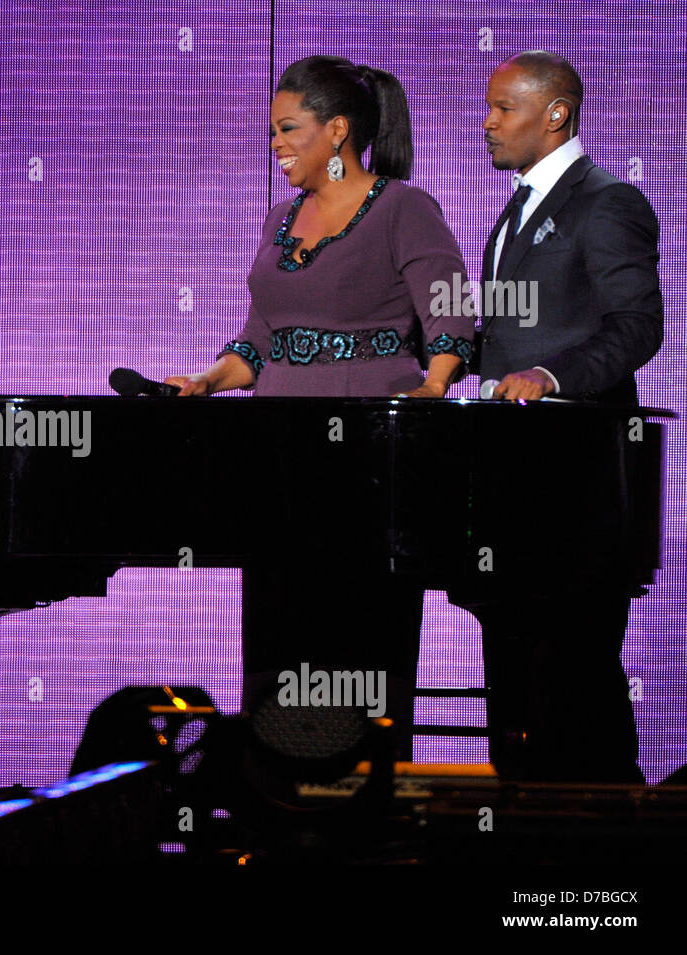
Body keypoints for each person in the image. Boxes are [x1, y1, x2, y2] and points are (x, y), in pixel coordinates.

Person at [166, 56, 475, 760]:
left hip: (368, 458)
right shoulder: (282, 219)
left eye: (288, 129)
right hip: (276, 454)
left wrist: (434, 384)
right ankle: (282, 796)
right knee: (281, 626)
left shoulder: (402, 207)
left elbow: (451, 308)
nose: (275, 144)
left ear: (337, 131)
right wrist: (209, 380)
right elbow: (258, 341)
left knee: (356, 629)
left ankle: (360, 799)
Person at [449, 51, 663, 783]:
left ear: (556, 113)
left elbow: (637, 326)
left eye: (503, 108)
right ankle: (520, 847)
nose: (487, 123)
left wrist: (549, 377)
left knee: (575, 694)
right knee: (517, 694)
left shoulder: (607, 202)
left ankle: (605, 861)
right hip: (510, 491)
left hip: (578, 491)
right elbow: (508, 336)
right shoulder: (518, 208)